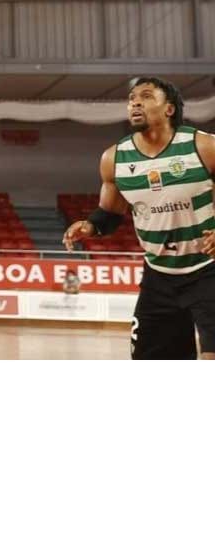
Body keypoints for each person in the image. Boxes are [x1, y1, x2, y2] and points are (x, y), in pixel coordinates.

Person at [64, 75, 215, 360]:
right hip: (159, 277)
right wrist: (90, 226)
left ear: (169, 108)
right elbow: (110, 213)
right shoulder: (114, 159)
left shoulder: (204, 147)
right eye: (132, 98)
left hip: (209, 270)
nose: (135, 102)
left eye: (146, 96)